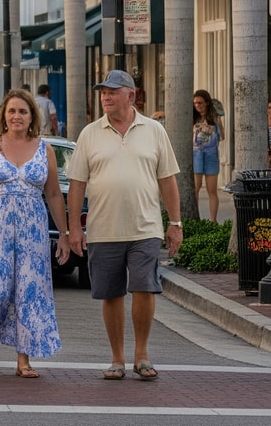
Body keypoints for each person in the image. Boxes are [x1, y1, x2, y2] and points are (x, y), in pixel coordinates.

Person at [66, 70, 181, 382]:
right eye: (103, 91)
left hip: (145, 228)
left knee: (144, 287)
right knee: (111, 294)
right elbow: (77, 184)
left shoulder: (154, 130)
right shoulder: (89, 133)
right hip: (103, 229)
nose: (106, 96)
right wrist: (74, 228)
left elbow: (167, 180)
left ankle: (141, 355)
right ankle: (117, 358)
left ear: (131, 95)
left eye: (113, 91)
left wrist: (176, 223)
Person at [0, 90, 69, 377]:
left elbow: (55, 194)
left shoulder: (45, 149)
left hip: (33, 229)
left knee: (28, 292)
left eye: (23, 111)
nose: (17, 116)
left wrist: (65, 234)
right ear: (3, 116)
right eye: (12, 111)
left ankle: (24, 359)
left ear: (32, 115)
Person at [190, 90, 223, 224]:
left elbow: (222, 136)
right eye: (195, 103)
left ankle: (213, 220)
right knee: (196, 188)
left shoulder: (215, 118)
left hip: (211, 154)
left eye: (200, 103)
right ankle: (196, 220)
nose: (198, 105)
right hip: (196, 153)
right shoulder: (192, 117)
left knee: (212, 189)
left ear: (207, 103)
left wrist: (212, 129)